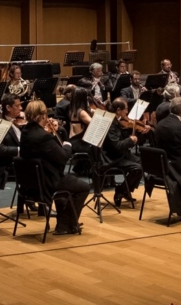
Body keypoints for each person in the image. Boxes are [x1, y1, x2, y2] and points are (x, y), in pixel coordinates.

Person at [20, 100, 88, 234]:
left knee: (68, 185)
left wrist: (55, 134)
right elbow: (63, 157)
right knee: (83, 187)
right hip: (47, 182)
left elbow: (48, 152)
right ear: (42, 116)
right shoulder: (43, 137)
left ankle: (66, 223)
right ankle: (66, 224)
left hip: (29, 183)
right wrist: (68, 145)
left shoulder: (26, 132)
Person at [103, 98, 143, 207]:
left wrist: (137, 135)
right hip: (112, 157)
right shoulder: (111, 123)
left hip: (122, 154)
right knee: (137, 168)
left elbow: (124, 139)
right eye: (126, 109)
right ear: (118, 110)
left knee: (144, 163)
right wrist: (131, 140)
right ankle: (121, 190)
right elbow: (117, 146)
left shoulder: (116, 120)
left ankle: (125, 190)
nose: (127, 112)